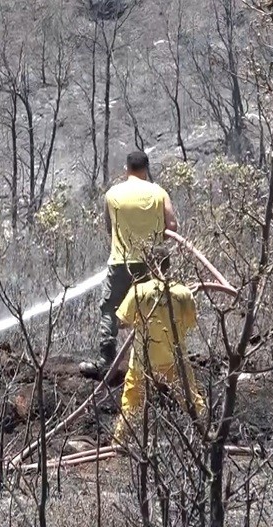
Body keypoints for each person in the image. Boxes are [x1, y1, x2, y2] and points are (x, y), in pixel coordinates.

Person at [79, 150, 178, 379]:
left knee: (110, 309)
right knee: (155, 310)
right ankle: (157, 362)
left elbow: (108, 228)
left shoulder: (113, 194)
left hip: (121, 262)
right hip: (154, 262)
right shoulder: (158, 192)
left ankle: (107, 362)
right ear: (146, 168)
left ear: (127, 169)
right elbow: (172, 225)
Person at [111, 246, 205, 442]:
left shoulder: (138, 291)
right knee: (191, 399)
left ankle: (119, 441)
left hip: (142, 362)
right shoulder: (183, 293)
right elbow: (190, 324)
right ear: (169, 266)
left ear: (148, 267)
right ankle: (206, 435)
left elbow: (121, 322)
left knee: (131, 401)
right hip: (174, 361)